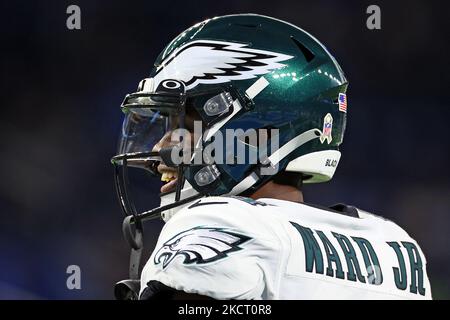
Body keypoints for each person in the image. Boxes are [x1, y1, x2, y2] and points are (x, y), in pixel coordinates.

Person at [111, 14, 432, 300]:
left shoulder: (215, 225)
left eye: (186, 126)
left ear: (255, 129)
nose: (161, 149)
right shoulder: (395, 249)